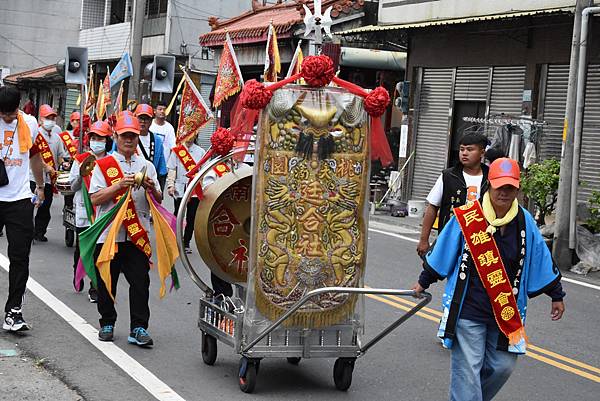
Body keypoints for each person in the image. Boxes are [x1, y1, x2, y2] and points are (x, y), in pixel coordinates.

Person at [412, 157, 565, 401]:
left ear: (517, 189)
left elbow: (541, 259)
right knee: (468, 371)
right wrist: (423, 280)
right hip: (469, 308)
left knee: (503, 367)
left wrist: (556, 294)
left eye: (510, 187)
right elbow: (445, 249)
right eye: (499, 186)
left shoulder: (525, 221)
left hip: (506, 310)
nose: (504, 192)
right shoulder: (467, 217)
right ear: (489, 185)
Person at [89, 113, 162, 347]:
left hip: (136, 234)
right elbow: (95, 198)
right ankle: (107, 323)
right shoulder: (103, 166)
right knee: (105, 282)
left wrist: (151, 188)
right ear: (116, 136)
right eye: (124, 136)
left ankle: (139, 327)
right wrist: (119, 185)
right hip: (108, 234)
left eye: (132, 136)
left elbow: (159, 199)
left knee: (140, 283)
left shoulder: (147, 166)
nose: (129, 140)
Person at [0, 86, 45, 331]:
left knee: (20, 257)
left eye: (11, 112)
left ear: (20, 106)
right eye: (2, 113)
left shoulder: (29, 123)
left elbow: (35, 155)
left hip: (19, 200)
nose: (7, 117)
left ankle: (14, 311)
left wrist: (40, 186)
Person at [417, 132, 489, 257]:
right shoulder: (448, 176)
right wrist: (424, 240)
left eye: (470, 150)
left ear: (482, 153)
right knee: (431, 272)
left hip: (482, 240)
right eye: (462, 149)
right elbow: (432, 207)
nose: (464, 153)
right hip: (450, 237)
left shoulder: (491, 177)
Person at [69, 120, 112, 302]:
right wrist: (81, 173)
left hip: (102, 215)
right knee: (82, 250)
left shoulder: (111, 161)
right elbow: (72, 186)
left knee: (99, 252)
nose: (97, 141)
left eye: (100, 138)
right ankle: (78, 274)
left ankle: (96, 287)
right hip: (84, 214)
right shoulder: (80, 160)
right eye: (94, 137)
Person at [29, 104, 67, 242]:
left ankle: (39, 232)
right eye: (48, 118)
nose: (50, 120)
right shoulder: (35, 135)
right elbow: (33, 157)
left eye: (52, 118)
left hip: (49, 180)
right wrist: (45, 167)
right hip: (34, 177)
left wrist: (63, 163)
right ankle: (27, 231)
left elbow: (60, 156)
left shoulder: (57, 138)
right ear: (41, 119)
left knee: (45, 207)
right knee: (29, 206)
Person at [166, 133, 206, 254]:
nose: (189, 137)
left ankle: (186, 241)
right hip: (179, 188)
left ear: (196, 135)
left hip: (195, 188)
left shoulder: (200, 152)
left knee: (191, 217)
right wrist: (171, 185)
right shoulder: (177, 150)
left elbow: (204, 171)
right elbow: (172, 169)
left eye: (192, 134)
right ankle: (173, 239)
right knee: (177, 215)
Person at [131, 104, 167, 189]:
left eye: (146, 119)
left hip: (149, 183)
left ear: (151, 121)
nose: (143, 121)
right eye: (140, 118)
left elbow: (162, 168)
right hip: (130, 181)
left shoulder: (157, 140)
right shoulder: (127, 136)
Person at [150, 101, 176, 168]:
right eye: (160, 109)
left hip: (163, 164)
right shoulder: (150, 125)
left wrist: (169, 165)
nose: (162, 111)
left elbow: (172, 148)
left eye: (164, 109)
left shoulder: (169, 127)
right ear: (155, 111)